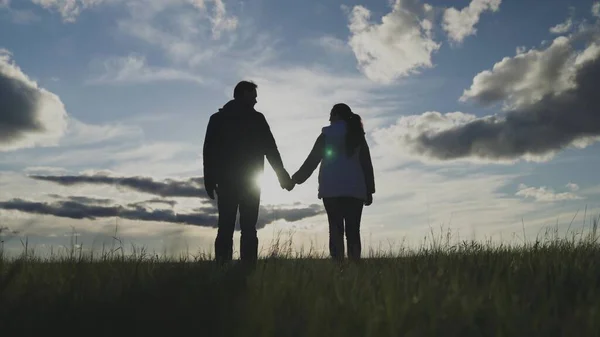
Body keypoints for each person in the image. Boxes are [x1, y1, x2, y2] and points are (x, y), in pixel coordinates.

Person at [203, 80, 294, 266]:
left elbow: (208, 152)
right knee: (246, 227)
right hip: (247, 182)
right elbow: (271, 149)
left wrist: (209, 180)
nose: (255, 101)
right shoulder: (248, 119)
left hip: (236, 181)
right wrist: (282, 175)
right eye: (253, 96)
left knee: (228, 226)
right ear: (243, 94)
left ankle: (225, 265)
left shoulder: (221, 119)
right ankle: (246, 266)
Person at [291, 103, 375, 261]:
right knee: (353, 231)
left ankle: (338, 268)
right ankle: (355, 267)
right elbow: (366, 164)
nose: (329, 118)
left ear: (336, 115)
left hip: (331, 191)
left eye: (331, 114)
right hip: (355, 190)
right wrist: (369, 190)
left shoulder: (326, 136)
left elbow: (312, 161)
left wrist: (295, 180)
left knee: (335, 230)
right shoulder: (357, 135)